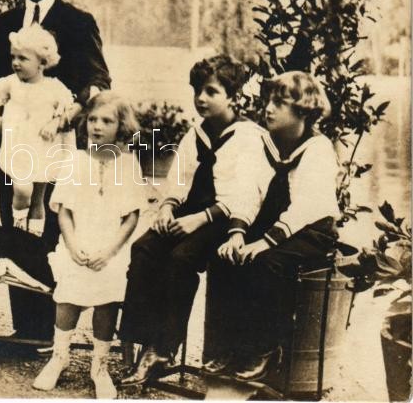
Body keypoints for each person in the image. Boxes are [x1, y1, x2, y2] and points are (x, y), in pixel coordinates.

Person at [0, 0, 111, 343]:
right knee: (14, 228)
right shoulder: (4, 24)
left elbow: (98, 80)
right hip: (11, 146)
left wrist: (70, 114)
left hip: (57, 145)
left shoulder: (78, 22)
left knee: (50, 230)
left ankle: (49, 333)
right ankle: (26, 329)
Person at [118, 55, 268, 386]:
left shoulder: (248, 137)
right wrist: (168, 208)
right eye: (198, 91)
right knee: (144, 248)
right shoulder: (195, 134)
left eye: (211, 91)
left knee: (181, 258)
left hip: (225, 219)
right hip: (189, 214)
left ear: (233, 96)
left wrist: (199, 220)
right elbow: (179, 181)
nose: (201, 98)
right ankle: (142, 343)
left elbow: (245, 195)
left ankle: (164, 347)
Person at [204, 71, 339, 382]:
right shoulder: (261, 143)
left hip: (310, 231)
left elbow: (305, 208)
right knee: (225, 257)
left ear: (303, 111)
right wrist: (237, 233)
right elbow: (247, 190)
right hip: (270, 226)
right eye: (269, 101)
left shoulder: (318, 149)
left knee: (267, 263)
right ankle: (227, 347)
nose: (268, 108)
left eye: (280, 103)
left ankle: (264, 349)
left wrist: (263, 243)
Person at [31, 91, 143, 399]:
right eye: (93, 119)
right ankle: (60, 356)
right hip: (77, 242)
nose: (97, 126)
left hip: (111, 248)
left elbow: (131, 217)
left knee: (107, 297)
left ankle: (99, 366)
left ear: (121, 126)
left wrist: (110, 252)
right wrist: (71, 244)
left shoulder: (128, 164)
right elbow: (64, 211)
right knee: (68, 295)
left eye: (107, 121)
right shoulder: (75, 160)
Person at [0, 24, 77, 236]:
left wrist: (54, 123)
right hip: (19, 146)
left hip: (42, 148)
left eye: (23, 58)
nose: (15, 63)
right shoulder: (10, 83)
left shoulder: (54, 87)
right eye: (13, 57)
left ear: (42, 62)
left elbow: (68, 108)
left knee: (38, 198)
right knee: (22, 188)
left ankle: (34, 237)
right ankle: (18, 226)